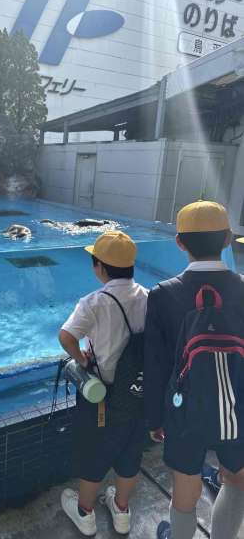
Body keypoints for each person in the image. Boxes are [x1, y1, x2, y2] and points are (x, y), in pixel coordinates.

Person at [144, 201, 244, 539]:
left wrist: (155, 419)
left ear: (179, 242)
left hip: (184, 411)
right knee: (237, 481)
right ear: (228, 239)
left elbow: (155, 366)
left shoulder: (163, 295)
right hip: (238, 407)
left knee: (185, 491)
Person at [58, 230, 148, 536]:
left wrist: (81, 360)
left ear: (99, 267)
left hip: (103, 396)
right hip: (137, 391)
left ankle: (85, 513)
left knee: (94, 451)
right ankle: (121, 510)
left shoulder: (94, 303)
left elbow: (66, 336)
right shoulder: (149, 297)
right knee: (131, 451)